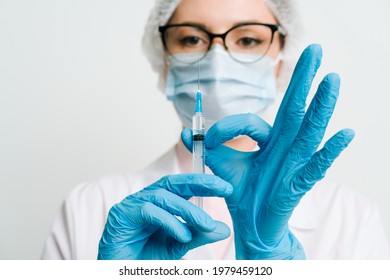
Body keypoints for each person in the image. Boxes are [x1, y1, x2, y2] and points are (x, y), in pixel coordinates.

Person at [41, 0, 390, 260]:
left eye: (249, 40)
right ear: (163, 61)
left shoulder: (351, 218)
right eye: (192, 39)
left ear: (280, 61)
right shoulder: (90, 208)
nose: (217, 59)